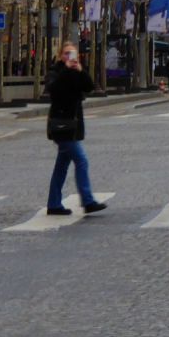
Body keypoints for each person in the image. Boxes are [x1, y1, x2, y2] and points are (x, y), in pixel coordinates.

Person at [44, 44, 108, 216]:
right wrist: (66, 70)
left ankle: (54, 204)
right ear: (59, 56)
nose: (69, 57)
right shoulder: (55, 72)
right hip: (61, 125)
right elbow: (53, 89)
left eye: (72, 53)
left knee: (61, 166)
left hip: (73, 125)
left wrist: (80, 70)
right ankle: (87, 201)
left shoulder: (75, 71)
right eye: (66, 54)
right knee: (81, 160)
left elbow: (89, 86)